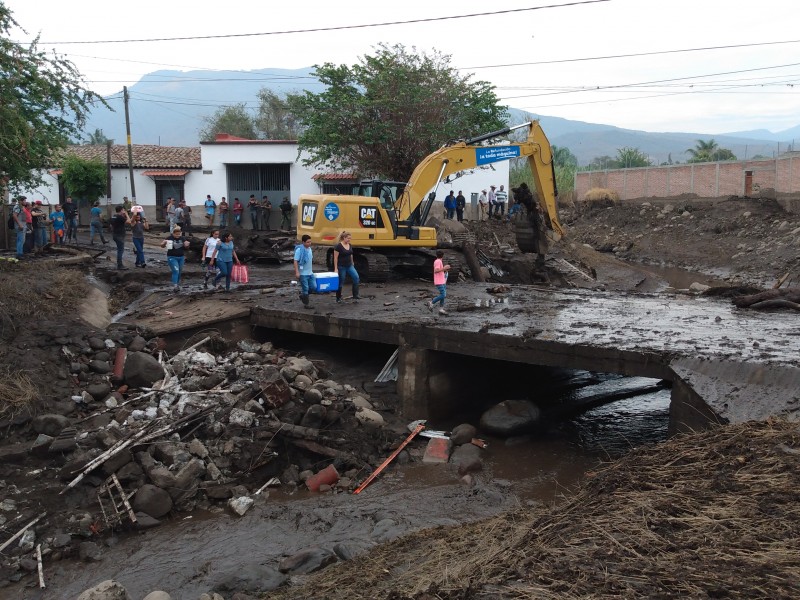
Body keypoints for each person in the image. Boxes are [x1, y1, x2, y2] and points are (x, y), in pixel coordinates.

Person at [333, 231, 360, 304]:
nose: (349, 240)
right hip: (341, 266)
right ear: (344, 238)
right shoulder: (338, 246)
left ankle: (355, 295)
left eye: (350, 238)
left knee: (356, 277)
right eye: (348, 238)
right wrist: (336, 268)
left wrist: (352, 262)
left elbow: (351, 254)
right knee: (341, 281)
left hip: (349, 265)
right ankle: (338, 298)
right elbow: (335, 258)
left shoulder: (350, 245)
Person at [161, 226, 190, 292]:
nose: (177, 236)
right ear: (173, 234)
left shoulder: (182, 238)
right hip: (172, 257)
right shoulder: (169, 238)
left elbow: (186, 247)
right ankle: (175, 285)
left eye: (179, 234)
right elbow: (162, 246)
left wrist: (187, 245)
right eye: (176, 234)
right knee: (175, 270)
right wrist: (164, 243)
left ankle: (177, 284)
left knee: (179, 271)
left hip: (181, 257)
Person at [426, 250, 451, 316]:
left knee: (442, 295)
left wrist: (445, 269)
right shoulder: (437, 261)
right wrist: (444, 268)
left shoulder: (439, 261)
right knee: (443, 294)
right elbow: (436, 271)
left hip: (442, 281)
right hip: (439, 281)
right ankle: (431, 302)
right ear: (443, 255)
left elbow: (440, 271)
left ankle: (441, 309)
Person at [293, 234, 314, 309]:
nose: (309, 243)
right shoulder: (299, 250)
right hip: (303, 273)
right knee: (305, 288)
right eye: (308, 242)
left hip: (310, 272)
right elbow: (295, 261)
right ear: (303, 242)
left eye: (310, 242)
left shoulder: (310, 249)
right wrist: (297, 272)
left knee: (313, 287)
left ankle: (303, 296)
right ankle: (306, 304)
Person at [110, 205, 131, 270]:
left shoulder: (113, 216)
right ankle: (120, 265)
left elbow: (111, 225)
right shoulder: (120, 217)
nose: (124, 211)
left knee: (119, 250)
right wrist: (127, 214)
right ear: (121, 210)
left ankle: (119, 264)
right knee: (120, 250)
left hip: (115, 234)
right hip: (119, 235)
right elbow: (129, 221)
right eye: (123, 210)